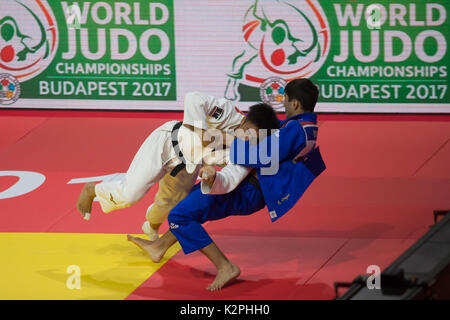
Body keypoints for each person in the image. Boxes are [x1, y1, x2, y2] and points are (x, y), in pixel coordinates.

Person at [127, 78, 327, 291]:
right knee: (190, 203)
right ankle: (159, 246)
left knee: (180, 215)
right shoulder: (306, 126)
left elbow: (262, 156)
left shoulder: (295, 129)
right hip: (255, 187)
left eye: (285, 100)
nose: (284, 106)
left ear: (294, 103)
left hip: (248, 189)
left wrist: (224, 138)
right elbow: (271, 135)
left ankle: (225, 266)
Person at [76, 93, 272, 240]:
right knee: (130, 195)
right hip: (165, 142)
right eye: (249, 132)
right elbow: (193, 97)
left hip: (189, 164)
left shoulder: (246, 149)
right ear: (246, 121)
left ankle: (151, 227)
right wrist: (202, 131)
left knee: (169, 205)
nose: (248, 139)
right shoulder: (227, 112)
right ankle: (92, 189)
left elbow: (230, 172)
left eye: (254, 138)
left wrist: (214, 175)